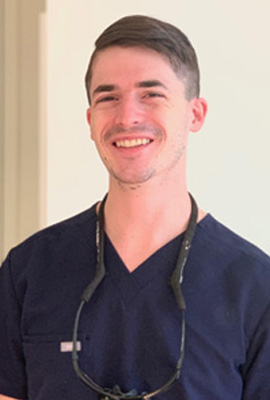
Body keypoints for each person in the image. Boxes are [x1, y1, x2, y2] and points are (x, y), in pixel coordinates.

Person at [0, 15, 270, 400]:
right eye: (108, 97)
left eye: (151, 94)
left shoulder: (255, 288)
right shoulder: (27, 272)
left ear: (195, 114)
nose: (127, 117)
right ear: (91, 121)